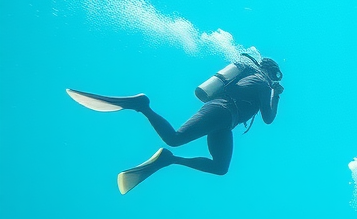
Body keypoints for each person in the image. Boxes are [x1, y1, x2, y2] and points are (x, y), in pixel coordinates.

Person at [66, 49, 283, 193]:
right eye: (275, 76)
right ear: (271, 73)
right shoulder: (263, 83)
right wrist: (277, 95)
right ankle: (142, 105)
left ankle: (168, 160)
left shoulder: (252, 77)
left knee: (220, 167)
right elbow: (268, 118)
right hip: (223, 111)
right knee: (174, 138)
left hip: (226, 122)